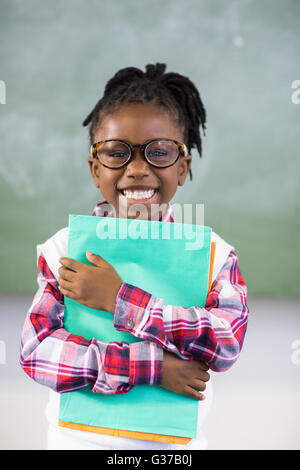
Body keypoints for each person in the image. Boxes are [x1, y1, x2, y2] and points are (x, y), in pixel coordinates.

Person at [19, 63, 250, 450]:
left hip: (175, 452)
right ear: (96, 169)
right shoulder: (63, 249)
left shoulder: (213, 254)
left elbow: (225, 344)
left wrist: (120, 300)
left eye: (159, 152)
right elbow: (37, 352)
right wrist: (152, 367)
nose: (138, 169)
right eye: (116, 153)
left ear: (183, 168)